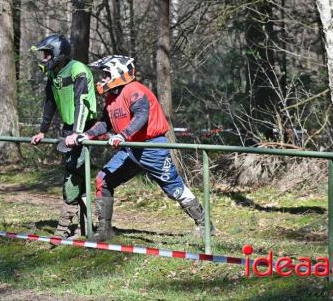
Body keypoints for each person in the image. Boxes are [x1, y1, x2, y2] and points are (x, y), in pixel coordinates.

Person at [74, 55, 214, 242]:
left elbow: (141, 115)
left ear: (118, 73)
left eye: (106, 74)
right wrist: (87, 134)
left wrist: (122, 135)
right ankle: (104, 229)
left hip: (152, 148)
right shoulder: (111, 98)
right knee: (103, 180)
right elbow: (105, 123)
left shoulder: (135, 90)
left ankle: (205, 224)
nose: (103, 79)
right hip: (129, 149)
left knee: (175, 189)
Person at [30, 34, 97, 239]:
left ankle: (68, 225)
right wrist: (43, 130)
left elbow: (82, 102)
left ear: (58, 53)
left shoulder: (78, 70)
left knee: (74, 172)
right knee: (76, 174)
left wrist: (78, 133)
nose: (45, 58)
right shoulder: (53, 75)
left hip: (85, 127)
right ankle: (85, 227)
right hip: (69, 129)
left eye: (48, 54)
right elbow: (49, 103)